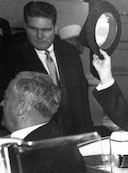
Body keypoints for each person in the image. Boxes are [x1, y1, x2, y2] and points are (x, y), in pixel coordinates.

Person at [1, 1, 93, 135]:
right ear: (26, 27)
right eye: (33, 29)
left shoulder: (70, 53)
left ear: (55, 28)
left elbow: (82, 99)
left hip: (73, 136)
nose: (39, 36)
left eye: (46, 30)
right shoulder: (11, 56)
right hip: (37, 140)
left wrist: (87, 135)